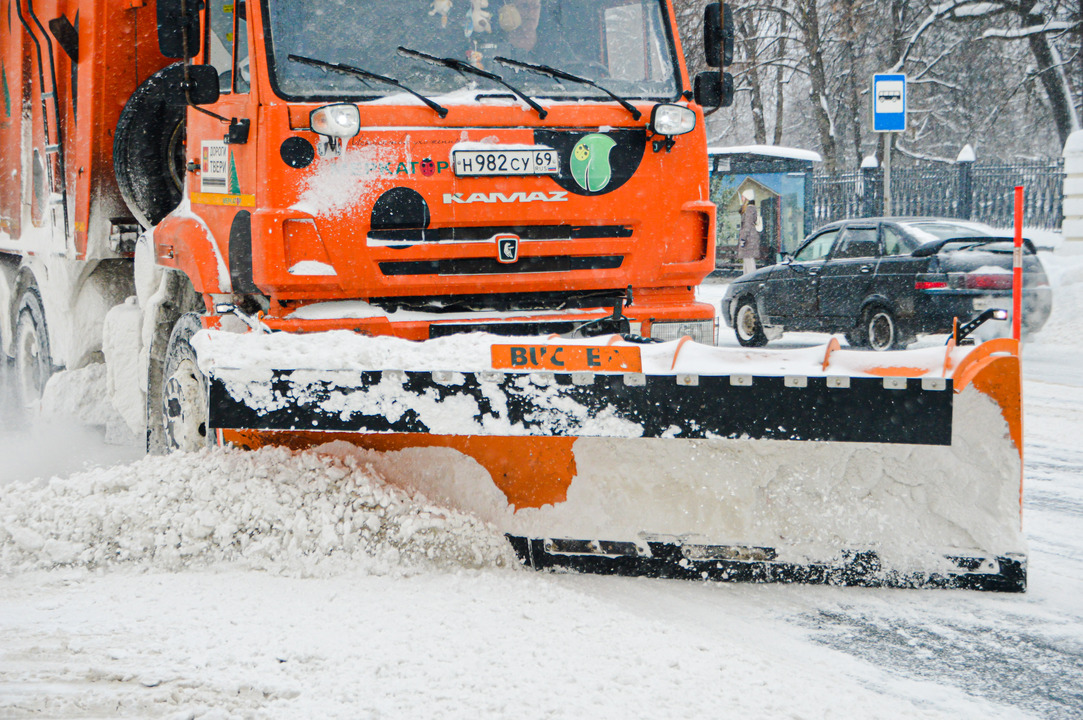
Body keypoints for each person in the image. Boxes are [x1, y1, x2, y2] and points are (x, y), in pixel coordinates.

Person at [737, 192, 762, 274]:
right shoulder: (751, 209)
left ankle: (750, 278)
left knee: (748, 260)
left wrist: (743, 239)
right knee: (748, 260)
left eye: (743, 197)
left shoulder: (749, 209)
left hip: (748, 239)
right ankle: (747, 278)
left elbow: (746, 225)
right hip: (751, 238)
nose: (742, 199)